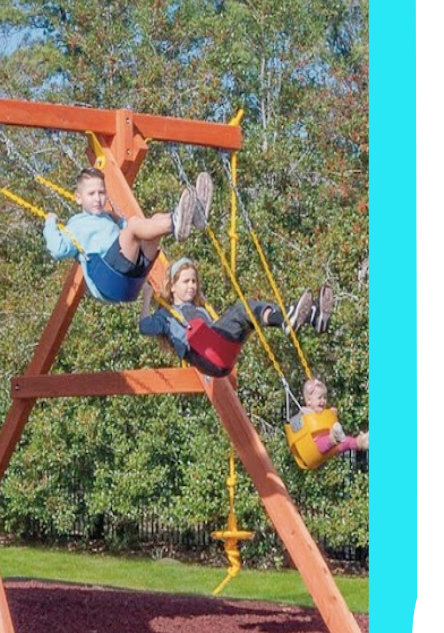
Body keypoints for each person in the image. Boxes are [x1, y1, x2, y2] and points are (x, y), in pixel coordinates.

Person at [44, 168, 212, 303]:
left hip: (131, 274)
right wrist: (50, 223)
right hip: (108, 277)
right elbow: (58, 250)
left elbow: (132, 232)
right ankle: (175, 221)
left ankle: (192, 217)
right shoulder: (76, 225)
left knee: (154, 220)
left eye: (101, 193)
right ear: (78, 198)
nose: (98, 199)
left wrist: (117, 220)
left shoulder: (107, 217)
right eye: (91, 193)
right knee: (133, 224)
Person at [137, 258, 294, 377]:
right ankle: (284, 318)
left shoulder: (201, 309)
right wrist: (147, 297)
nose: (191, 286)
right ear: (172, 286)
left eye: (194, 281)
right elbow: (145, 327)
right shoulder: (168, 315)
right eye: (186, 282)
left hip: (221, 354)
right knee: (243, 308)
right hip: (202, 355)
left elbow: (215, 329)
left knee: (249, 314)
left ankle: (284, 317)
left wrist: (203, 303)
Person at [292, 377, 369, 461]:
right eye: (319, 398)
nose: (323, 401)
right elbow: (299, 420)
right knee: (327, 441)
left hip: (331, 445)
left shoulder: (323, 413)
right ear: (309, 400)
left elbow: (326, 419)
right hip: (314, 446)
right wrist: (308, 413)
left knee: (345, 442)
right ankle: (334, 437)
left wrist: (331, 414)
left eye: (325, 398)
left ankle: (361, 441)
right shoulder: (305, 411)